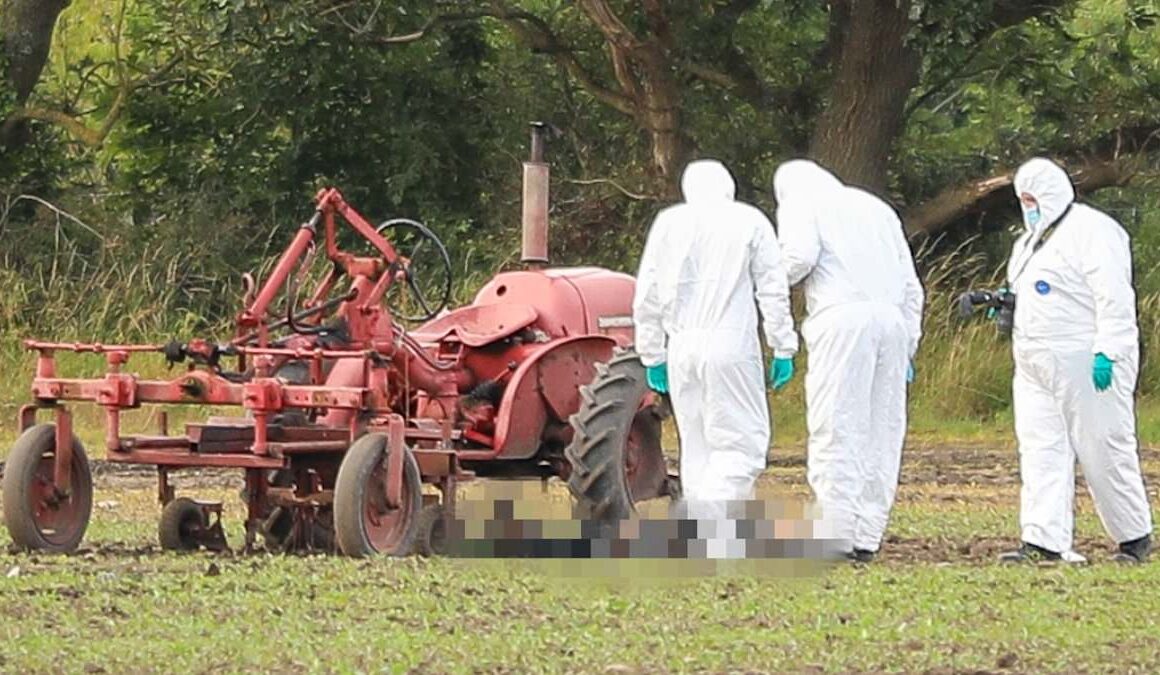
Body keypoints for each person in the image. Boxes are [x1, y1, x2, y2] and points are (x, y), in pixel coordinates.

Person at [633, 159, 798, 557]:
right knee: (743, 446)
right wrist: (784, 345)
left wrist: (653, 354)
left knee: (699, 447)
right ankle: (701, 525)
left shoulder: (669, 223)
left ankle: (716, 544)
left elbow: (648, 294)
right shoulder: (749, 220)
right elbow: (772, 290)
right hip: (730, 345)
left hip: (681, 349)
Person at [999, 157, 1153, 564]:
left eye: (1032, 198)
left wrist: (1109, 352)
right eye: (1022, 199)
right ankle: (1043, 540)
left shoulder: (1093, 232)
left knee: (1103, 444)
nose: (1027, 206)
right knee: (1040, 448)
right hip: (1034, 360)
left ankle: (1133, 537)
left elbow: (1113, 297)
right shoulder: (1029, 241)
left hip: (1084, 356)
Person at [773, 160, 924, 563]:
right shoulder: (876, 208)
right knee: (882, 428)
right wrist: (910, 340)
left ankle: (835, 535)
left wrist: (763, 278)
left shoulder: (803, 203)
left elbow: (798, 259)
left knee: (837, 424)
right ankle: (866, 536)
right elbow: (911, 285)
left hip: (840, 319)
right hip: (891, 323)